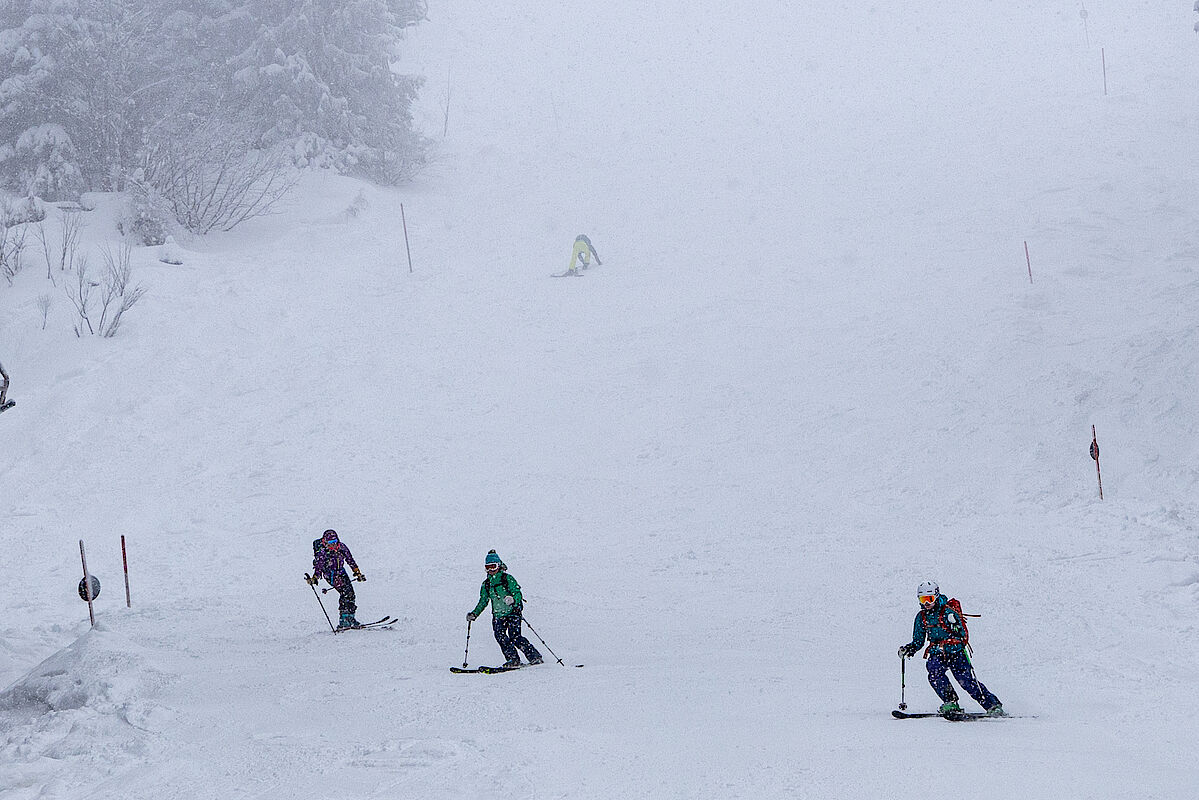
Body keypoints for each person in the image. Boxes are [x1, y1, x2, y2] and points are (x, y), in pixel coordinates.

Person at [898, 580, 1005, 717]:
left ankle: (992, 705)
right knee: (934, 673)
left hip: (955, 652)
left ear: (936, 597)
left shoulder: (948, 612)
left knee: (966, 680)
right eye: (923, 599)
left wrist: (955, 628)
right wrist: (909, 649)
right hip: (937, 652)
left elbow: (963, 634)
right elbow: (918, 640)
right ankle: (950, 702)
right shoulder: (922, 617)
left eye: (929, 599)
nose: (926, 604)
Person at [466, 550, 543, 667]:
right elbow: (483, 601)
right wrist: (474, 614)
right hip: (498, 615)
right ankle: (513, 659)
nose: (491, 570)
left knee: (515, 636)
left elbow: (517, 593)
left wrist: (513, 600)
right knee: (500, 636)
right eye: (488, 567)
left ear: (499, 565)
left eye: (493, 566)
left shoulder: (507, 579)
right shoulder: (486, 584)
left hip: (513, 613)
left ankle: (534, 657)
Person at [307, 529, 366, 629]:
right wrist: (315, 578)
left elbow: (350, 559)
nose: (333, 545)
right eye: (330, 543)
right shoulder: (323, 552)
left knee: (350, 593)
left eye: (334, 542)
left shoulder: (342, 547)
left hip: (341, 572)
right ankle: (343, 621)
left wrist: (357, 572)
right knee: (344, 592)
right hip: (330, 574)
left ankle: (350, 618)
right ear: (325, 542)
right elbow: (319, 567)